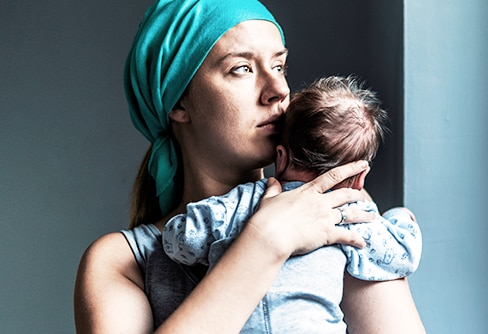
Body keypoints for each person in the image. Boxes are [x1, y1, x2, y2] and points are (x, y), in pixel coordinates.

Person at [73, 0, 426, 332]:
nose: (278, 89)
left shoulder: (333, 215)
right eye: (241, 69)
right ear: (178, 102)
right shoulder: (121, 261)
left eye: (279, 66)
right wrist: (264, 241)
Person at [160, 75, 422, 332]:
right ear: (359, 179)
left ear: (281, 158)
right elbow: (403, 256)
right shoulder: (351, 216)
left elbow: (181, 242)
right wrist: (398, 216)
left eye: (279, 67)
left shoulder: (240, 202)